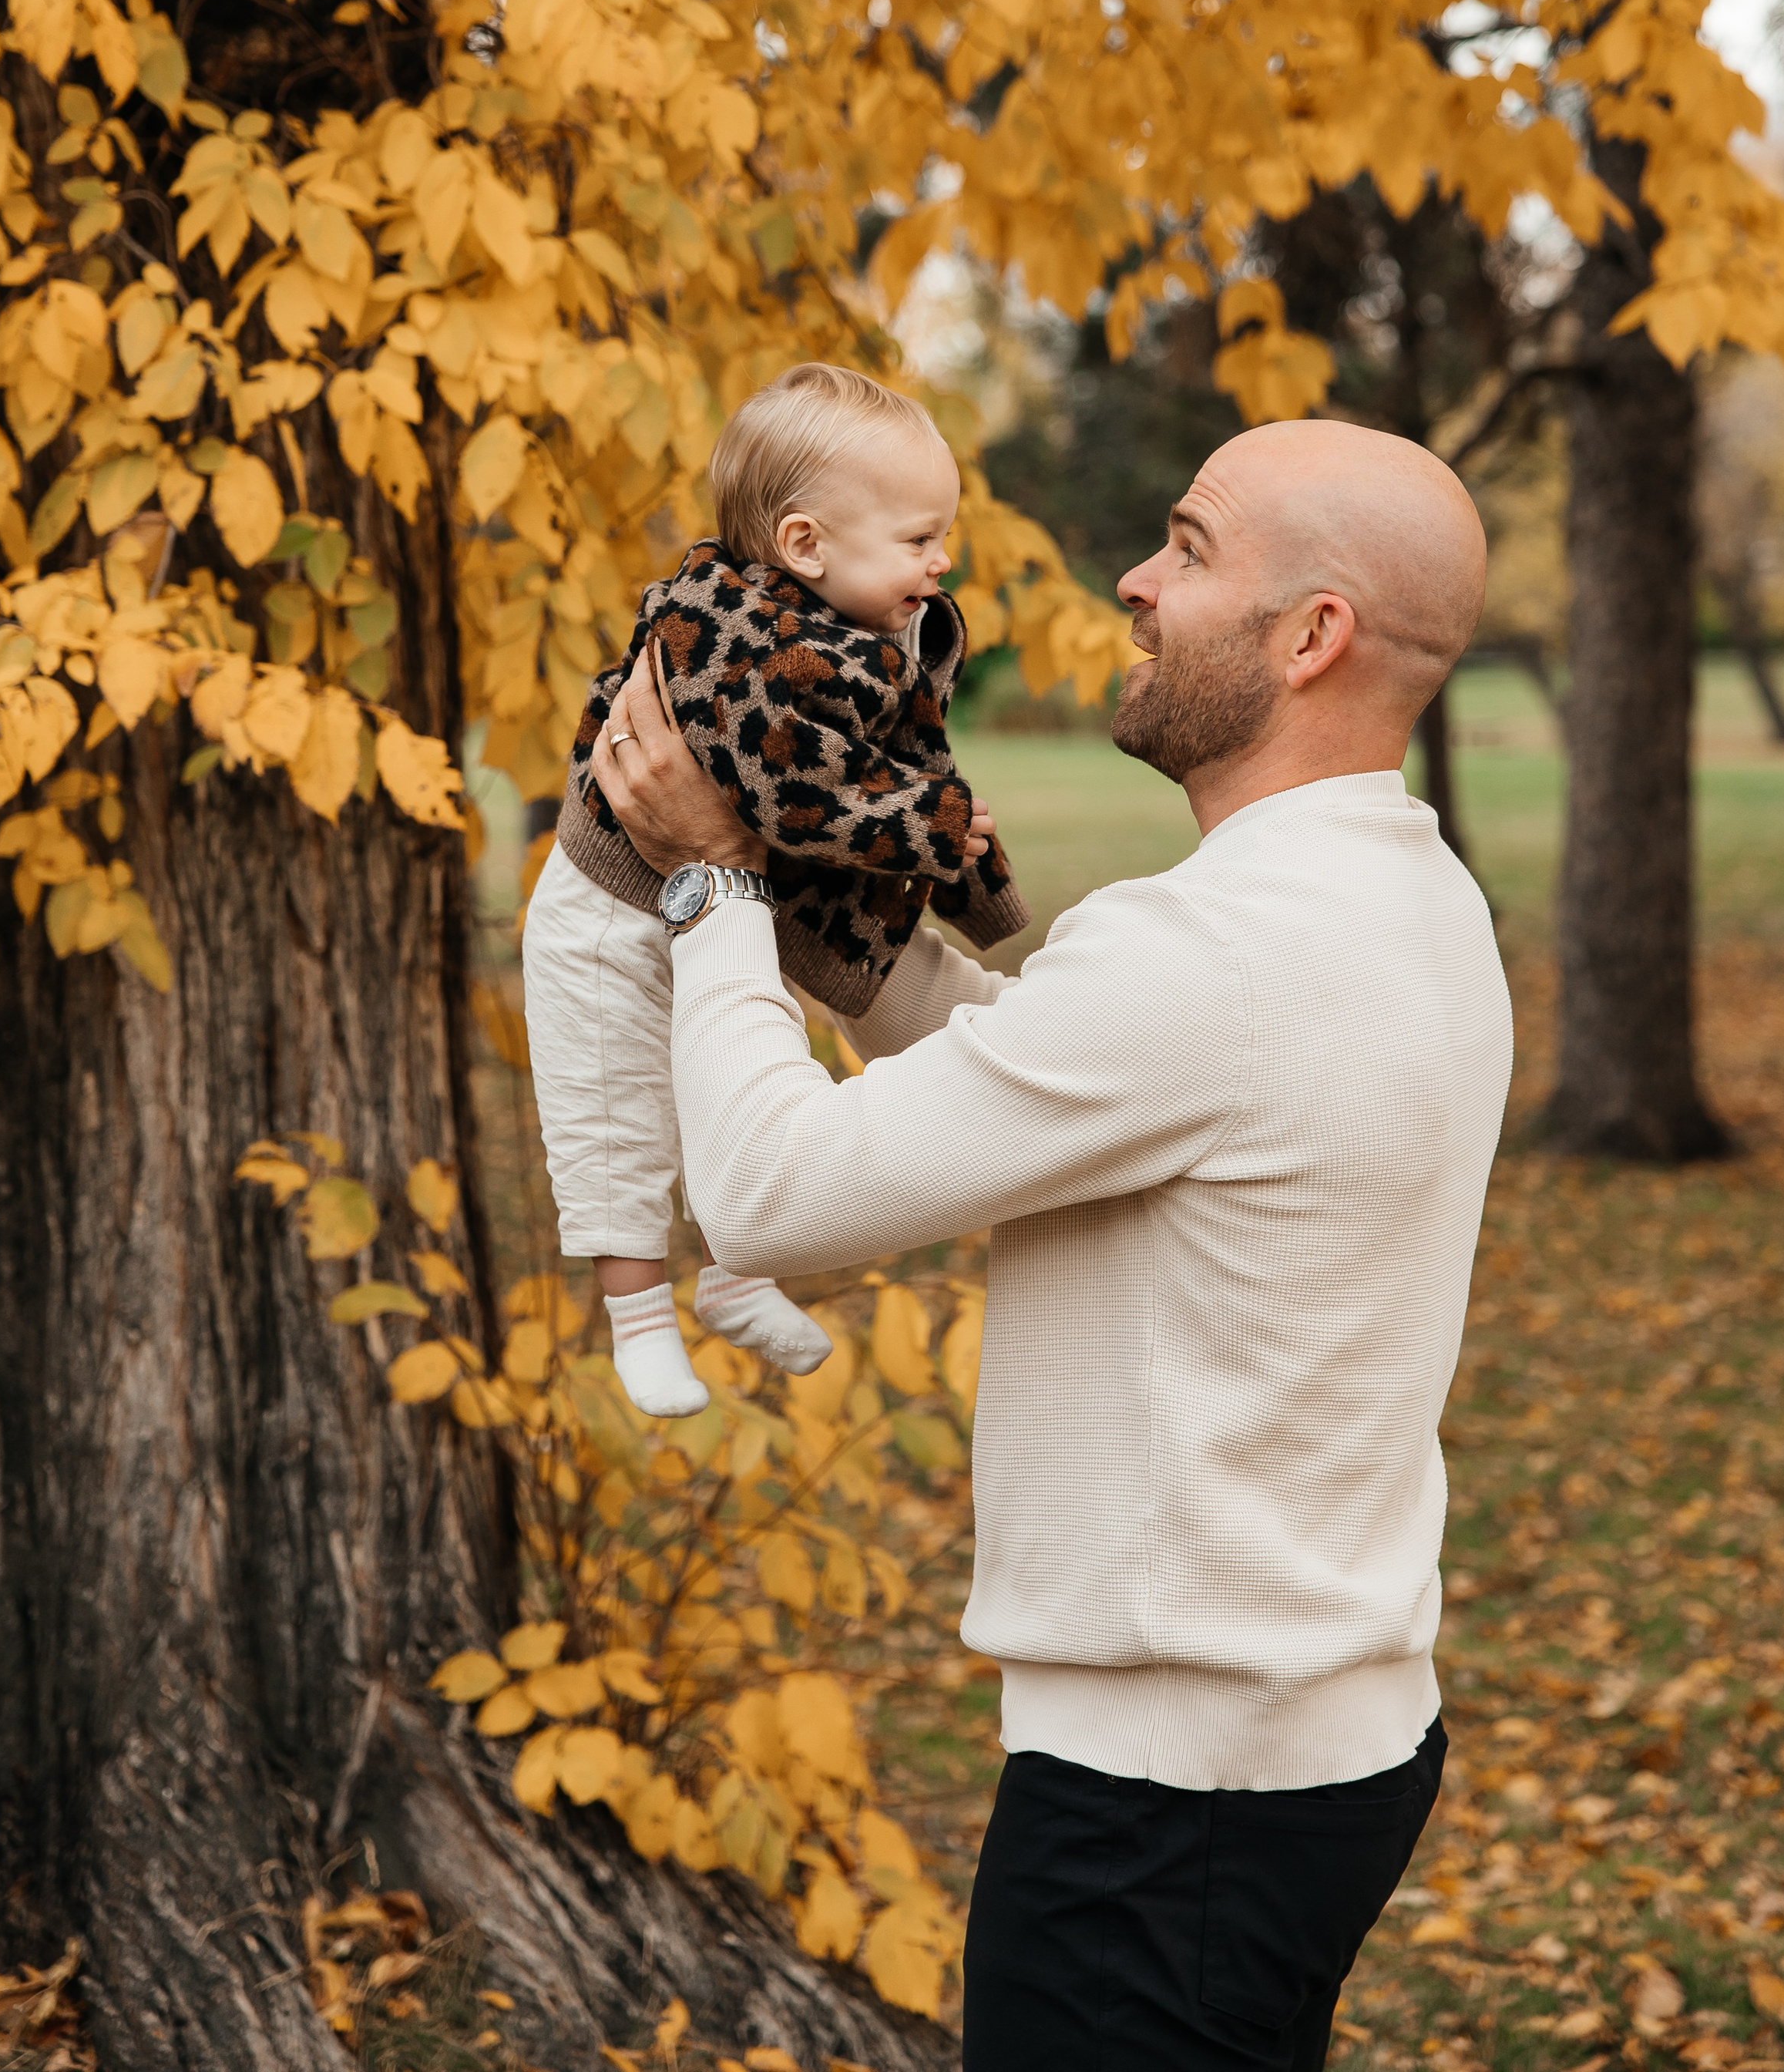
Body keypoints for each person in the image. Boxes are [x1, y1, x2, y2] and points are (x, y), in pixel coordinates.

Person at [590, 416, 1510, 2071]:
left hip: (1164, 1813)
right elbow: (1064, 1065)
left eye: (1188, 546)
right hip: (1318, 1751)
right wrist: (825, 936)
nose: (1135, 582)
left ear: (1311, 640)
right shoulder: (1407, 900)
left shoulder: (1207, 958)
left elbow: (768, 1196)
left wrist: (714, 885)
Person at [522, 364, 1026, 1418]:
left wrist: (963, 866)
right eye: (920, 539)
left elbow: (901, 768)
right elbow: (807, 796)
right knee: (614, 1117)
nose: (944, 561)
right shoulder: (745, 645)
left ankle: (739, 1277)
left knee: (737, 1071)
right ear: (805, 546)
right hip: (607, 910)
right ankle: (640, 1324)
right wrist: (930, 826)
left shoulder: (854, 630)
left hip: (722, 895)